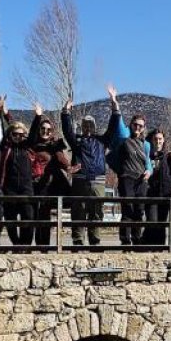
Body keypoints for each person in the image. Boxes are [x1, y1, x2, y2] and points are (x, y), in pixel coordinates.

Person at [103, 84, 153, 246]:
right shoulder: (124, 136)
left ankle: (137, 239)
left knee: (139, 210)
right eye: (135, 124)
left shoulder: (145, 144)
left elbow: (148, 163)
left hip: (141, 179)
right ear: (131, 124)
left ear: (144, 128)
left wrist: (148, 172)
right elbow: (117, 117)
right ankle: (125, 240)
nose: (137, 127)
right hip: (126, 178)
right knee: (127, 209)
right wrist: (114, 101)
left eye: (140, 126)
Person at [61, 100, 108, 246]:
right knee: (78, 209)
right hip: (80, 180)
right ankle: (78, 238)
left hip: (98, 181)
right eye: (85, 125)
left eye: (90, 125)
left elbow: (112, 129)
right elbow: (67, 131)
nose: (88, 127)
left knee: (97, 210)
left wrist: (114, 108)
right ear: (82, 127)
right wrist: (66, 113)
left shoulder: (101, 141)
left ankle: (95, 238)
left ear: (94, 127)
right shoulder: (77, 142)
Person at [27, 104, 74, 246]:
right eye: (43, 129)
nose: (45, 132)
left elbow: (61, 159)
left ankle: (44, 246)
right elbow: (26, 131)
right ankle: (32, 245)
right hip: (32, 184)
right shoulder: (32, 144)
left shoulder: (54, 146)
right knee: (32, 216)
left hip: (47, 185)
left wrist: (68, 167)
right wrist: (38, 116)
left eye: (48, 130)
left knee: (44, 215)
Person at [0, 96, 35, 246]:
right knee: (10, 220)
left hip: (26, 189)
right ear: (10, 135)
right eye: (14, 134)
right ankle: (16, 245)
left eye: (21, 134)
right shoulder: (6, 146)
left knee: (28, 218)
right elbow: (9, 127)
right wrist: (2, 112)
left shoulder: (28, 148)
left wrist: (37, 116)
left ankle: (26, 246)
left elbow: (34, 134)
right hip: (9, 189)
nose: (17, 137)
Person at [143, 128, 171, 245]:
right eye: (155, 139)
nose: (158, 141)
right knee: (152, 221)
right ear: (151, 140)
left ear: (163, 141)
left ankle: (160, 248)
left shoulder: (169, 158)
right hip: (150, 195)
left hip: (165, 195)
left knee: (162, 223)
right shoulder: (147, 156)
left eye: (160, 139)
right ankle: (147, 246)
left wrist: (168, 182)